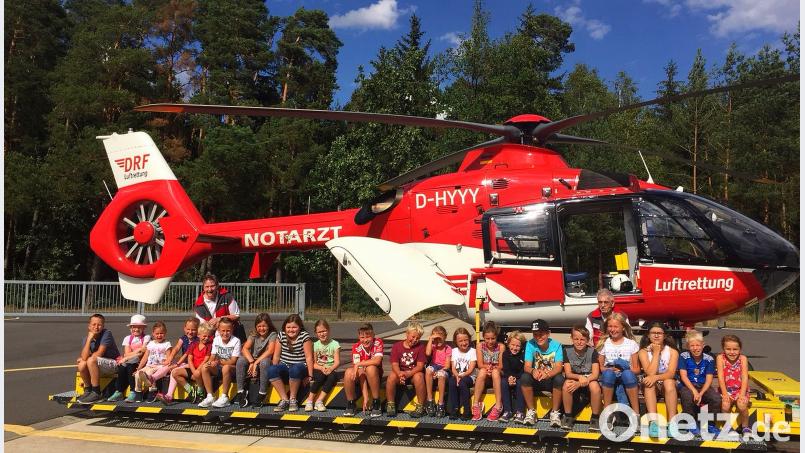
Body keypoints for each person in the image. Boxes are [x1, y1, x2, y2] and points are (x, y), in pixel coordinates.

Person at [586, 289, 630, 407]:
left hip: (618, 353)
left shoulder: (622, 316)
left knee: (615, 374)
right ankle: (621, 408)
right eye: (600, 302)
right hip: (598, 355)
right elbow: (587, 338)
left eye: (606, 302)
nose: (603, 305)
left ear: (612, 303)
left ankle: (614, 408)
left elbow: (628, 337)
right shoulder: (591, 316)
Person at [597, 313, 640, 429]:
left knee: (628, 374)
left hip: (626, 376)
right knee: (608, 374)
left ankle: (636, 414)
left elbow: (636, 369)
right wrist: (610, 369)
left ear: (623, 327)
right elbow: (600, 367)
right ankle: (608, 413)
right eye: (610, 326)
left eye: (615, 326)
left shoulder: (631, 344)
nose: (612, 329)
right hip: (609, 377)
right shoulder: (604, 344)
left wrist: (623, 368)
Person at [638, 321, 679, 437]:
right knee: (648, 383)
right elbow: (649, 372)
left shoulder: (672, 351)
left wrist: (655, 377)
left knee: (669, 382)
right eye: (653, 333)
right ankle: (653, 423)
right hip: (653, 384)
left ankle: (672, 423)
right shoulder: (643, 352)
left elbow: (670, 373)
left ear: (664, 336)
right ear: (648, 335)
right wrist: (656, 353)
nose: (656, 336)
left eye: (659, 333)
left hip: (666, 382)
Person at [520, 319, 565, 427]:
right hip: (537, 379)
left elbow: (559, 367)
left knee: (559, 378)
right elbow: (526, 366)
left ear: (548, 333)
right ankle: (531, 412)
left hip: (550, 379)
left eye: (541, 334)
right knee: (525, 377)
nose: (538, 337)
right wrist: (533, 370)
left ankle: (554, 413)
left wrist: (548, 374)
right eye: (535, 334)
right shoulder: (530, 344)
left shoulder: (557, 345)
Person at [678, 330, 721, 436]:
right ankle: (691, 423)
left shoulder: (709, 359)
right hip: (688, 384)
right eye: (692, 345)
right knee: (687, 397)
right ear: (688, 346)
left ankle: (709, 423)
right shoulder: (684, 356)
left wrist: (701, 393)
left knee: (715, 399)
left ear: (703, 345)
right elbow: (683, 376)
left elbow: (709, 379)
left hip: (703, 386)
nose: (695, 348)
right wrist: (694, 391)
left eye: (698, 345)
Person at [267, 314, 313, 412]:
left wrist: (310, 375)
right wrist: (275, 370)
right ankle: (284, 399)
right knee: (271, 369)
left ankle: (293, 399)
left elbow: (309, 357)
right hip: (285, 365)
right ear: (285, 327)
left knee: (295, 368)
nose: (291, 330)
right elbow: (276, 356)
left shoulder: (304, 336)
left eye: (294, 327)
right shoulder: (281, 335)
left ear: (299, 327)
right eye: (288, 327)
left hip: (300, 367)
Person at [561, 325, 602, 431]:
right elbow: (568, 373)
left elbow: (595, 374)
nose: (579, 342)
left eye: (582, 339)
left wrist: (582, 382)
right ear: (572, 339)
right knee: (567, 385)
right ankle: (568, 416)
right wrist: (579, 377)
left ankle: (595, 418)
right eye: (576, 339)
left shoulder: (592, 352)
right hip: (575, 377)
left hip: (590, 378)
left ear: (588, 340)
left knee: (595, 387)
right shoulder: (567, 351)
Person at [232, 313, 278, 408]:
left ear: (268, 326)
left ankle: (262, 393)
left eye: (264, 326)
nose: (261, 328)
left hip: (265, 359)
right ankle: (241, 392)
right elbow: (245, 349)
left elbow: (270, 351)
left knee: (264, 362)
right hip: (253, 359)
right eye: (259, 326)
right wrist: (252, 362)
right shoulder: (253, 334)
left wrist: (256, 363)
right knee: (241, 360)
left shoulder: (273, 334)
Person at [76, 313, 122, 404]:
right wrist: (89, 339)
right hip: (98, 365)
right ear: (89, 326)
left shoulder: (106, 333)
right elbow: (84, 357)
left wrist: (85, 358)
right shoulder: (86, 338)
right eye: (94, 324)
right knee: (82, 364)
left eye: (99, 325)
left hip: (113, 365)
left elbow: (99, 354)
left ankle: (96, 392)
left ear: (103, 326)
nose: (96, 327)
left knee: (91, 360)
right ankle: (88, 390)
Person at [386, 321, 427, 418]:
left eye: (418, 338)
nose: (415, 340)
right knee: (391, 377)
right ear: (407, 334)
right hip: (400, 373)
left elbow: (420, 366)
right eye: (413, 337)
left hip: (413, 373)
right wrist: (399, 373)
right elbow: (394, 364)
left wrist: (408, 374)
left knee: (419, 376)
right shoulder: (397, 346)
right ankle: (390, 404)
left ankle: (421, 406)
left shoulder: (421, 347)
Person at [154, 318, 199, 404]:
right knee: (168, 366)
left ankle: (169, 395)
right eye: (188, 329)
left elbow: (186, 354)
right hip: (184, 363)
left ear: (197, 330)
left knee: (174, 370)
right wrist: (170, 359)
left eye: (193, 330)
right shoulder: (184, 338)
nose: (190, 332)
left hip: (192, 364)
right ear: (184, 328)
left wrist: (177, 364)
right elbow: (176, 348)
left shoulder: (197, 340)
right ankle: (153, 378)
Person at [198, 317, 242, 408]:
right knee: (205, 367)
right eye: (223, 330)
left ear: (232, 329)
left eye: (228, 331)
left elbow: (233, 361)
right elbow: (213, 355)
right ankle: (210, 396)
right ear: (218, 329)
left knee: (226, 367)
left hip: (232, 369)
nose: (225, 333)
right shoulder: (216, 339)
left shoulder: (236, 341)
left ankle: (224, 397)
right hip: (219, 367)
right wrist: (210, 362)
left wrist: (217, 362)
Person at [343, 323, 384, 417]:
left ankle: (376, 402)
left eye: (368, 336)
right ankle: (351, 403)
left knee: (370, 368)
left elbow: (377, 361)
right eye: (362, 337)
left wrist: (358, 364)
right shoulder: (356, 347)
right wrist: (365, 397)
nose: (365, 340)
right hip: (362, 377)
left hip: (375, 375)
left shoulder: (378, 342)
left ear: (373, 335)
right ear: (359, 337)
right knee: (348, 372)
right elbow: (361, 373)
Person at [107, 314, 150, 402]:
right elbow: (126, 354)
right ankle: (119, 391)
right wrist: (137, 351)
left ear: (144, 328)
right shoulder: (127, 338)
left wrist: (130, 356)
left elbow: (143, 351)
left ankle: (133, 391)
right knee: (122, 367)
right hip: (131, 361)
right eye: (134, 327)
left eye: (139, 327)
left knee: (129, 364)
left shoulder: (146, 337)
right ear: (130, 328)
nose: (136, 329)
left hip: (142, 362)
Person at [169, 322, 213, 404]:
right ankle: (191, 391)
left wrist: (197, 371)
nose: (206, 338)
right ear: (199, 335)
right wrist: (193, 370)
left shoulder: (209, 346)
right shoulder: (194, 344)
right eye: (204, 336)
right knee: (175, 372)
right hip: (193, 369)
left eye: (208, 336)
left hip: (201, 370)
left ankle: (200, 391)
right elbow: (189, 359)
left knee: (198, 373)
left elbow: (206, 360)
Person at [194, 273, 245, 342]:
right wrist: (212, 326)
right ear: (203, 287)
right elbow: (202, 326)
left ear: (217, 286)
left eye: (212, 286)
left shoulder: (227, 296)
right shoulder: (199, 304)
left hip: (231, 335)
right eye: (207, 286)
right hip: (210, 338)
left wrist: (220, 319)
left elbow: (236, 316)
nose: (210, 289)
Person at [129, 321, 173, 403]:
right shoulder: (151, 344)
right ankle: (138, 392)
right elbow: (145, 357)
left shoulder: (167, 344)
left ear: (165, 333)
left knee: (149, 373)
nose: (159, 335)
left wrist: (166, 363)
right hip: (149, 365)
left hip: (159, 366)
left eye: (161, 333)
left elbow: (169, 357)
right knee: (138, 375)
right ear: (153, 333)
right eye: (157, 333)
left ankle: (152, 392)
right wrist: (139, 368)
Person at [717, 334, 750, 438]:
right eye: (728, 349)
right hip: (726, 390)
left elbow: (744, 377)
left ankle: (745, 427)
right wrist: (725, 394)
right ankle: (727, 427)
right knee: (725, 405)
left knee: (742, 405)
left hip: (740, 389)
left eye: (735, 349)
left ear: (740, 349)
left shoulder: (743, 358)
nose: (732, 352)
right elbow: (721, 377)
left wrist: (742, 394)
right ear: (723, 349)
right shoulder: (720, 358)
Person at [303, 319, 341, 412]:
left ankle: (319, 401)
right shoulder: (315, 345)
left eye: (324, 331)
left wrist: (330, 368)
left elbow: (337, 362)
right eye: (319, 332)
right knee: (320, 376)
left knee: (332, 378)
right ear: (316, 333)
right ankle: (310, 400)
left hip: (331, 369)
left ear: (328, 330)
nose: (322, 334)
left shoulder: (335, 344)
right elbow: (314, 363)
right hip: (319, 368)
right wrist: (321, 367)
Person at [473, 321, 505, 421]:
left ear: (496, 337)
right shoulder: (480, 346)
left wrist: (494, 369)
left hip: (497, 373)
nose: (490, 341)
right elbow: (480, 364)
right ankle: (476, 404)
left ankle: (498, 405)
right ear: (483, 337)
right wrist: (488, 368)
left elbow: (501, 365)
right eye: (487, 338)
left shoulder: (501, 347)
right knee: (482, 371)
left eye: (493, 338)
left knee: (495, 372)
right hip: (485, 372)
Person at [448, 327, 476, 420]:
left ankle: (467, 410)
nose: (464, 343)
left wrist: (461, 376)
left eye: (466, 340)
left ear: (469, 339)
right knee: (452, 382)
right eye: (460, 341)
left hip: (469, 376)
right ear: (456, 342)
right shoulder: (454, 351)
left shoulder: (472, 351)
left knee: (462, 382)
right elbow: (453, 367)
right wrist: (456, 375)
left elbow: (471, 369)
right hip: (457, 375)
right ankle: (455, 409)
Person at [424, 325, 451, 418]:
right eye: (436, 339)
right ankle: (430, 400)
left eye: (440, 338)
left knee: (441, 375)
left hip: (444, 369)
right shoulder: (433, 346)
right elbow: (427, 353)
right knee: (428, 370)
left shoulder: (447, 348)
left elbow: (447, 366)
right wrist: (431, 339)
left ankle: (441, 404)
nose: (438, 341)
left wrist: (439, 371)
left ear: (445, 337)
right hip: (434, 366)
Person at [500, 330, 526, 423]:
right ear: (508, 344)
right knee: (503, 382)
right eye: (512, 345)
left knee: (521, 383)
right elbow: (506, 369)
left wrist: (515, 378)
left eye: (518, 346)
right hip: (510, 377)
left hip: (519, 377)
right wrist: (510, 377)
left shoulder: (523, 355)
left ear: (521, 346)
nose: (514, 348)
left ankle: (520, 411)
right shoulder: (506, 354)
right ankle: (507, 411)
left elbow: (523, 370)